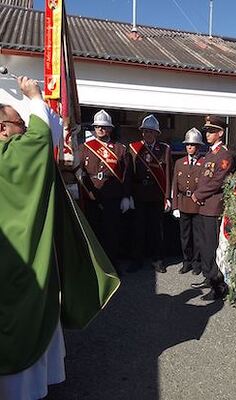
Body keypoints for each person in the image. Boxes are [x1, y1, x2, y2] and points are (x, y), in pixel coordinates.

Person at [0, 77, 119, 399]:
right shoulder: (12, 156)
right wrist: (35, 96)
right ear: (2, 128)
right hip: (17, 264)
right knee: (24, 324)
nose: (25, 128)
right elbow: (39, 140)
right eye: (19, 124)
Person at [79, 110, 131, 271]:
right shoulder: (85, 148)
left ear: (110, 129)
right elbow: (79, 172)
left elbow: (127, 174)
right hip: (91, 196)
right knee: (93, 232)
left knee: (112, 233)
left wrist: (126, 196)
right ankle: (95, 268)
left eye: (104, 127)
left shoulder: (120, 149)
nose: (101, 129)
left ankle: (112, 266)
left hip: (113, 197)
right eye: (98, 127)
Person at [191, 116, 233, 301]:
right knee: (204, 245)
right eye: (206, 131)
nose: (207, 134)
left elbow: (218, 181)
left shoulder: (224, 154)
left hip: (213, 206)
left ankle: (218, 286)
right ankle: (208, 278)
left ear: (220, 133)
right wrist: (199, 195)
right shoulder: (209, 153)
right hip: (204, 205)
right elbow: (204, 178)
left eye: (211, 131)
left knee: (213, 247)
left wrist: (199, 195)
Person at [129, 114, 172, 273]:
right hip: (139, 194)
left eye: (151, 131)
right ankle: (137, 260)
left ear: (156, 133)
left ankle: (158, 260)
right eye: (145, 131)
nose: (147, 134)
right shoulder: (134, 147)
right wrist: (129, 195)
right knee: (138, 229)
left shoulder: (164, 149)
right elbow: (130, 173)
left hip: (156, 194)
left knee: (157, 230)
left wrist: (167, 196)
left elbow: (168, 173)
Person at [172, 128, 204, 275]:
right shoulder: (179, 162)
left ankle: (196, 263)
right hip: (183, 202)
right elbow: (175, 185)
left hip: (197, 204)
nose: (189, 147)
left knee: (197, 237)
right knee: (184, 236)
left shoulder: (204, 162)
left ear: (198, 146)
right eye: (188, 145)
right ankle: (186, 261)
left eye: (192, 145)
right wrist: (175, 206)